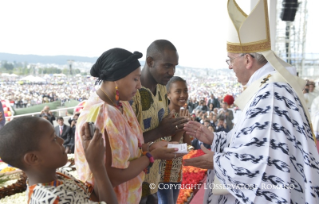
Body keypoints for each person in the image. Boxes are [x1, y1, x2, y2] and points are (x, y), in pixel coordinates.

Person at [183, 0, 319, 203]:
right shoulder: (268, 89)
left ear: (247, 60)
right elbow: (253, 143)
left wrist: (217, 161)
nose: (229, 67)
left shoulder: (271, 95)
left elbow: (261, 162)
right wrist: (216, 139)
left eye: (230, 60)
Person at [75, 48, 185, 204]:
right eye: (135, 79)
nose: (139, 86)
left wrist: (152, 147)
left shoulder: (121, 105)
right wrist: (152, 156)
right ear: (116, 79)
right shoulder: (103, 113)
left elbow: (130, 152)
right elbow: (113, 176)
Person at [0, 116, 118, 204]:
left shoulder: (58, 175)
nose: (61, 141)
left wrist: (93, 160)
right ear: (33, 158)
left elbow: (93, 196)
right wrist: (97, 166)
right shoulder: (52, 199)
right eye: (54, 139)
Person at [131, 40, 188, 204]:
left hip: (156, 177)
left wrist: (177, 130)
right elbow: (126, 143)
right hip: (135, 181)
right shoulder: (133, 93)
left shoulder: (163, 90)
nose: (172, 72)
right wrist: (160, 131)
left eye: (174, 67)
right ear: (150, 62)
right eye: (167, 66)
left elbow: (163, 133)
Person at [157, 76, 192, 204]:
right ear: (168, 95)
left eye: (185, 90)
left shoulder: (183, 115)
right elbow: (167, 149)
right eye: (178, 91)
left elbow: (188, 147)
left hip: (176, 174)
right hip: (162, 177)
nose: (183, 95)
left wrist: (187, 126)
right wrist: (182, 128)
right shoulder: (165, 117)